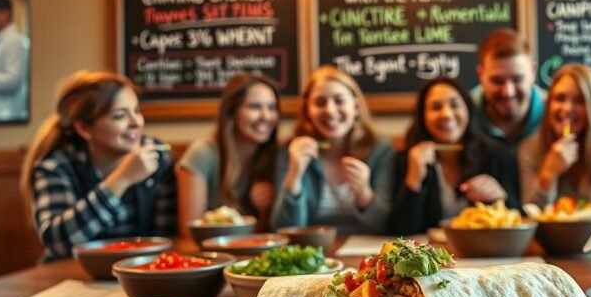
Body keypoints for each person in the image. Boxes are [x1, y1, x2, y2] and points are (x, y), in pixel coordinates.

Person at [19, 71, 176, 262]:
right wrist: (121, 179)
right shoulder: (56, 166)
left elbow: (164, 239)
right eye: (119, 116)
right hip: (69, 276)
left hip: (138, 274)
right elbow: (58, 242)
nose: (136, 123)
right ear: (84, 128)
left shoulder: (158, 158)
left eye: (136, 111)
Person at [271, 65, 394, 234]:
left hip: (368, 253)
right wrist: (294, 175)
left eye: (339, 100)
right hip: (315, 254)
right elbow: (284, 228)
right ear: (308, 111)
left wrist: (364, 193)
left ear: (356, 107)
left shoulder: (380, 149)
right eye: (320, 102)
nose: (330, 110)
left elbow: (388, 227)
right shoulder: (292, 151)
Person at [391, 77, 519, 235]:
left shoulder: (496, 153)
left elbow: (520, 218)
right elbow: (400, 231)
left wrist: (500, 197)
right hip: (432, 255)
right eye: (436, 107)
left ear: (468, 109)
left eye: (454, 105)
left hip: (485, 254)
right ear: (422, 116)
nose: (446, 114)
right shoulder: (407, 158)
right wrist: (413, 180)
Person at [176, 74, 279, 238]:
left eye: (272, 107)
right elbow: (189, 233)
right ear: (232, 112)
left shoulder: (275, 158)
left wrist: (265, 211)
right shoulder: (202, 154)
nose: (266, 116)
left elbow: (265, 237)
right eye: (255, 107)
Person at [517, 64, 591, 207]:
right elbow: (531, 217)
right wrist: (548, 176)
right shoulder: (530, 149)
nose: (567, 108)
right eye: (559, 98)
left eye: (579, 100)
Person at [471, 28, 545, 148]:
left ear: (533, 73)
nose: (508, 92)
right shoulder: (463, 113)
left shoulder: (554, 113)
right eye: (497, 81)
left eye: (517, 80)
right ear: (480, 75)